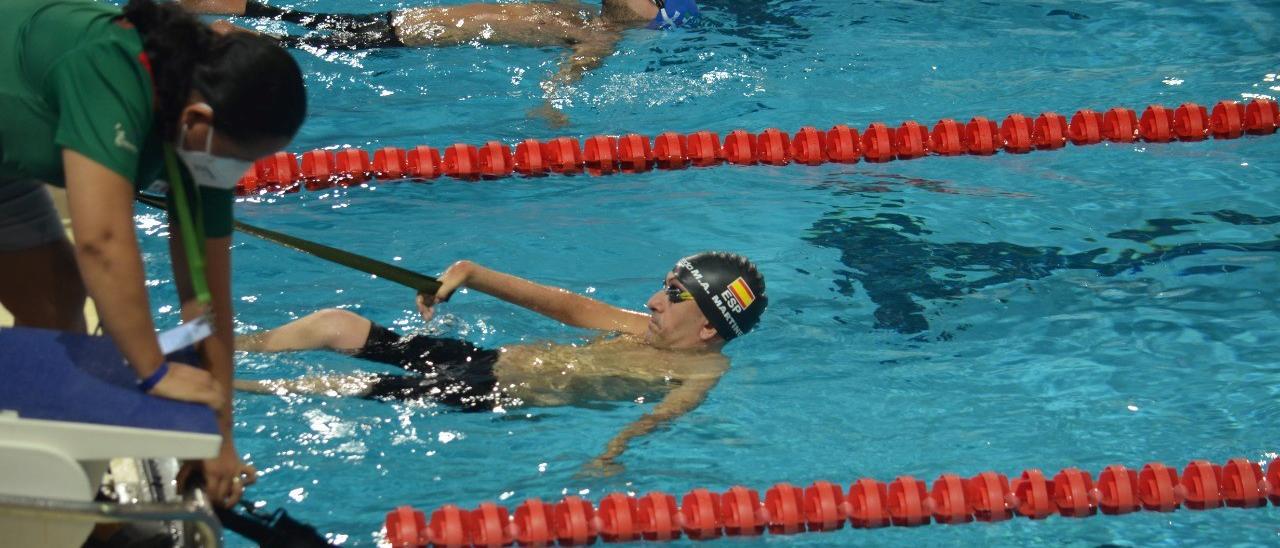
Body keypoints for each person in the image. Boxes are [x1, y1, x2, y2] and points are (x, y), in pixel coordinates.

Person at [0, 0, 307, 507]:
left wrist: (215, 435)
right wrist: (156, 372)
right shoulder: (110, 69)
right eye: (244, 159)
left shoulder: (202, 136)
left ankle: (41, 495)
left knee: (56, 309)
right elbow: (103, 243)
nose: (243, 172)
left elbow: (207, 302)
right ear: (198, 119)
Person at [236, 251, 765, 473]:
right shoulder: (637, 327)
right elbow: (565, 306)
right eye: (664, 286)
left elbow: (660, 417)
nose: (653, 300)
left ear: (709, 328)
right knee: (334, 322)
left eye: (673, 296)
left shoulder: (701, 371)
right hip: (484, 359)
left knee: (344, 384)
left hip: (488, 394)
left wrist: (612, 453)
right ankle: (220, 347)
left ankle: (227, 384)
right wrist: (474, 273)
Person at [182, 0, 701, 125]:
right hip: (416, 18)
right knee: (321, 23)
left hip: (418, 40)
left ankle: (238, 30)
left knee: (324, 37)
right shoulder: (581, 13)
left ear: (655, 19)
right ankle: (229, 9)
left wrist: (550, 106)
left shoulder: (598, 38)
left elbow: (569, 77)